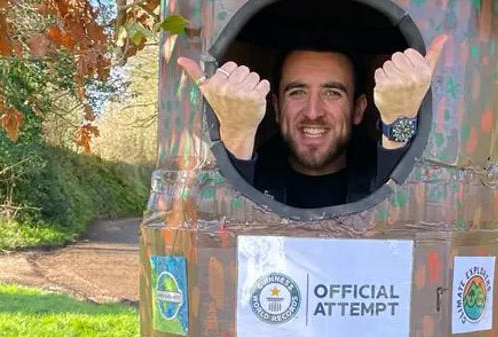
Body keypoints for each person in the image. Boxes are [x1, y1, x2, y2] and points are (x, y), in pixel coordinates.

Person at [177, 35, 448, 209]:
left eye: (332, 93)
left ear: (358, 109)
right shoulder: (256, 173)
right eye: (297, 92)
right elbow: (213, 232)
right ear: (276, 107)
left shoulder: (376, 174)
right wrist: (237, 136)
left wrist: (399, 120)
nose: (313, 111)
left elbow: (411, 219)